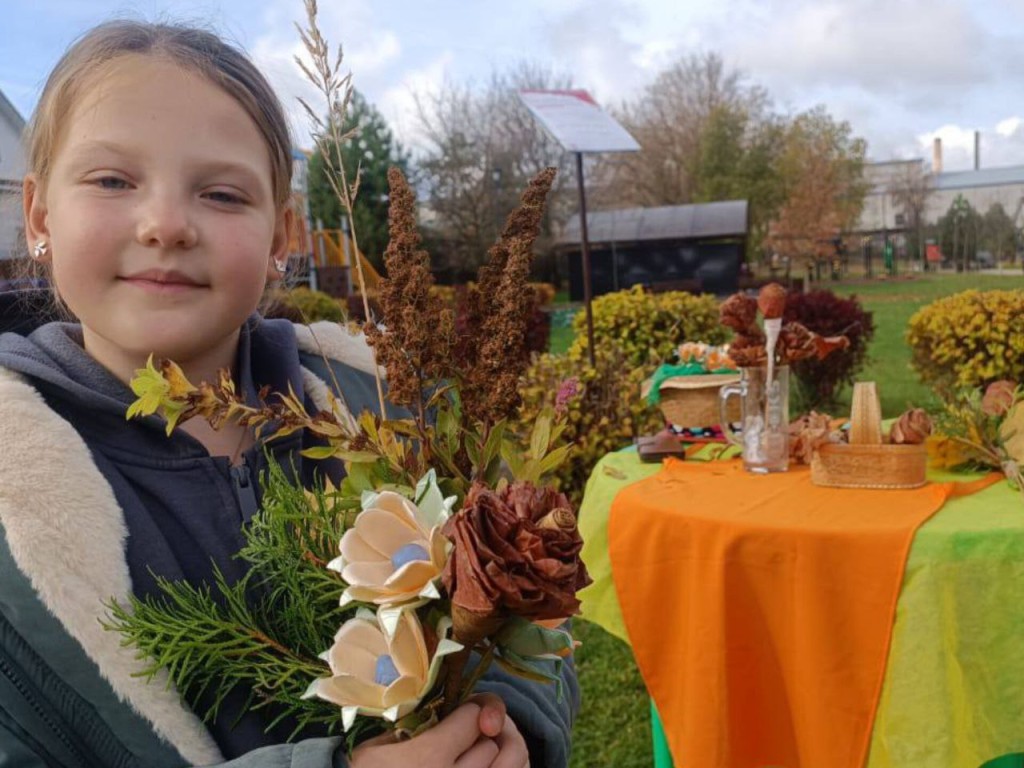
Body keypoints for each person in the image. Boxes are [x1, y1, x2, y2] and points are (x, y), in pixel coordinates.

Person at [0, 20, 577, 768]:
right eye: (113, 180)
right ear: (41, 215)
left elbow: (533, 618)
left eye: (221, 193)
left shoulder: (380, 405)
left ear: (283, 235)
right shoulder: (16, 501)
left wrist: (512, 728)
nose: (167, 224)